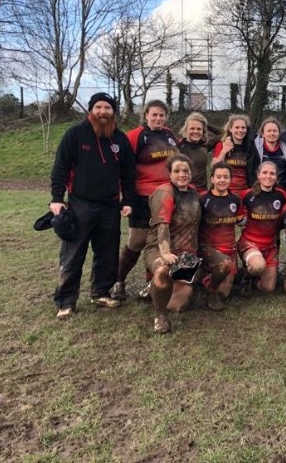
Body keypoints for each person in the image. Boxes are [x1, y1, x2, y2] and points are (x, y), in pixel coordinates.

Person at [49, 92, 136, 319]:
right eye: (98, 107)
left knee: (107, 252)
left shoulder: (120, 139)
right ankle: (66, 300)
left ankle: (101, 292)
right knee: (73, 253)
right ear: (91, 110)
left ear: (113, 112)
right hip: (80, 204)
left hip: (110, 206)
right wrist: (57, 198)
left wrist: (127, 200)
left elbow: (128, 173)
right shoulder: (75, 134)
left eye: (107, 108)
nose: (103, 112)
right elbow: (60, 168)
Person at [112, 100, 179, 300]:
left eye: (162, 115)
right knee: (137, 241)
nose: (158, 118)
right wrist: (127, 198)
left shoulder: (169, 134)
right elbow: (124, 168)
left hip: (167, 195)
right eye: (154, 114)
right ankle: (118, 280)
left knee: (162, 240)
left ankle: (152, 283)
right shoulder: (136, 135)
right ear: (146, 115)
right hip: (143, 197)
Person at [144, 154, 201, 333]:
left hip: (186, 253)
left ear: (191, 173)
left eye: (185, 171)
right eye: (177, 171)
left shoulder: (193, 191)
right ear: (170, 174)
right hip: (160, 248)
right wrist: (165, 253)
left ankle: (154, 288)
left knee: (178, 305)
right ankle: (160, 316)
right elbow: (163, 226)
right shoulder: (165, 192)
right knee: (163, 270)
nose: (182, 174)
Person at [237, 161, 286, 294]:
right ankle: (246, 277)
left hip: (271, 247)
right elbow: (235, 212)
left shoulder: (282, 195)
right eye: (265, 173)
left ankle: (253, 278)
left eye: (272, 173)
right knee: (258, 266)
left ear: (276, 176)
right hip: (250, 243)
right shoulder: (246, 194)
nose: (268, 176)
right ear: (258, 175)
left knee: (268, 288)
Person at [198, 162, 242, 311]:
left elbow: (241, 221)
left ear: (230, 179)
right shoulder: (203, 199)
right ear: (212, 179)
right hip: (208, 248)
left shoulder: (235, 199)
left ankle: (208, 278)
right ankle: (210, 290)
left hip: (229, 248)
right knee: (224, 265)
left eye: (226, 177)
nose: (222, 180)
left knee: (224, 294)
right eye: (218, 177)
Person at [178, 112, 223, 194]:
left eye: (199, 129)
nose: (195, 131)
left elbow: (224, 133)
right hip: (184, 191)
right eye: (192, 128)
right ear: (186, 130)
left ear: (203, 131)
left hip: (202, 191)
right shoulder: (179, 146)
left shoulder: (205, 145)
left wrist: (204, 123)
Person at [211, 114, 256, 194]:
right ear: (230, 128)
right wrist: (224, 151)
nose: (240, 130)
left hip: (244, 190)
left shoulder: (250, 147)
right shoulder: (221, 145)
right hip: (226, 190)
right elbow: (214, 166)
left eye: (243, 127)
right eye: (237, 127)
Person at [252, 116, 286, 197]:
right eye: (269, 131)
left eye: (275, 131)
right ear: (263, 134)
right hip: (262, 190)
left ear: (279, 133)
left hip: (283, 191)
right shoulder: (255, 148)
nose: (272, 133)